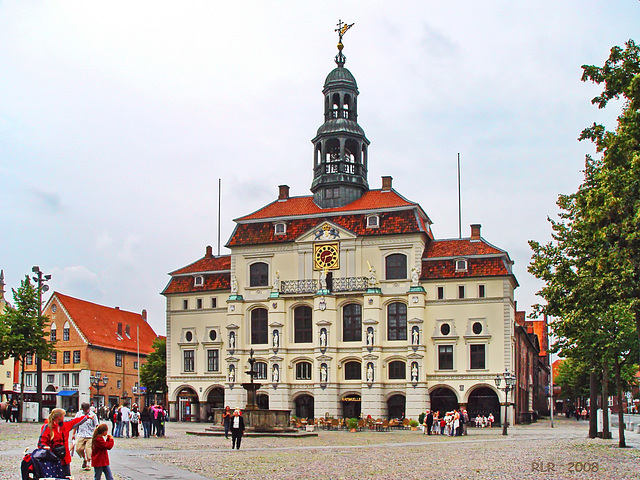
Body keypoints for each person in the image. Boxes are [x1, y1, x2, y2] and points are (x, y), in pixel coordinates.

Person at [38, 408, 88, 477]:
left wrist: (86, 417)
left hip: (65, 457)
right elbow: (41, 442)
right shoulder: (47, 427)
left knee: (67, 476)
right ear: (59, 417)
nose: (64, 417)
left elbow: (74, 421)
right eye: (63, 415)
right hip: (53, 457)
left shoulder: (64, 425)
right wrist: (45, 447)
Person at [72, 402, 98, 471]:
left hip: (90, 435)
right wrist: (73, 434)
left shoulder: (93, 415)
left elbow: (96, 425)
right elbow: (75, 424)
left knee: (88, 450)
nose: (86, 411)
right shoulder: (79, 414)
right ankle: (85, 459)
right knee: (78, 449)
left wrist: (97, 435)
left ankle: (88, 464)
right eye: (84, 410)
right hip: (81, 434)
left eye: (87, 409)